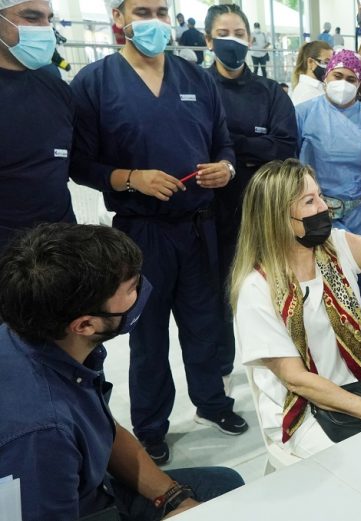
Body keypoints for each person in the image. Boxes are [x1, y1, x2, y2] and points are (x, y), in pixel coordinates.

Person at [70, 0, 249, 465]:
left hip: (198, 226)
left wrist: (225, 169)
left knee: (205, 322)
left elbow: (223, 144)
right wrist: (132, 177)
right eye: (142, 11)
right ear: (119, 20)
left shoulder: (196, 79)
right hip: (141, 232)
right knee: (147, 334)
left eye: (161, 12)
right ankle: (151, 426)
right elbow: (81, 164)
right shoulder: (95, 83)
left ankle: (213, 403)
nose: (154, 22)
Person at [0, 223, 244, 520]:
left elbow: (103, 428)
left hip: (91, 488)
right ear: (85, 325)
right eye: (131, 289)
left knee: (224, 486)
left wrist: (174, 499)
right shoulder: (41, 434)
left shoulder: (52, 344)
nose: (142, 289)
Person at [231, 159, 361, 457]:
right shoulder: (256, 289)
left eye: (320, 195)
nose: (325, 207)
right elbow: (296, 379)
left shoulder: (338, 246)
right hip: (303, 411)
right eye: (309, 201)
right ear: (277, 217)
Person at [203, 3, 297, 387]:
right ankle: (223, 369)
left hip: (266, 210)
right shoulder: (198, 87)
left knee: (276, 288)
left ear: (251, 39)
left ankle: (287, 361)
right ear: (208, 40)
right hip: (214, 211)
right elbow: (202, 148)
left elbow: (286, 146)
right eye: (223, 34)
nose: (232, 42)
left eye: (239, 34)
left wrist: (230, 145)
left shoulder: (269, 91)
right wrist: (256, 141)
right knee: (221, 296)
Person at [295, 50, 361, 310]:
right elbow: (292, 165)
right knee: (317, 284)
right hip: (316, 211)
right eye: (338, 76)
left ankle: (355, 341)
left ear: (359, 84)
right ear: (326, 77)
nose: (344, 83)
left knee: (360, 285)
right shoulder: (302, 114)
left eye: (351, 79)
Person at [0, 0, 76, 254]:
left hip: (60, 243)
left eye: (48, 19)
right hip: (8, 251)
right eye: (32, 18)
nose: (45, 29)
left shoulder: (55, 87)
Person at [290, 39, 332, 105]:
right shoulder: (307, 93)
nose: (330, 67)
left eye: (331, 63)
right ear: (310, 62)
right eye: (326, 62)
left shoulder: (318, 88)